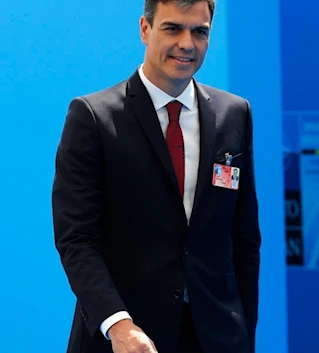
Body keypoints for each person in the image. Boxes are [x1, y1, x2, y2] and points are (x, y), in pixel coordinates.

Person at [51, 1, 261, 352]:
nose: (187, 43)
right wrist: (118, 324)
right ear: (145, 30)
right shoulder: (93, 118)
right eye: (172, 28)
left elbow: (244, 240)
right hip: (126, 338)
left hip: (216, 337)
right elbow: (77, 240)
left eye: (199, 31)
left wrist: (244, 335)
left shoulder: (234, 114)